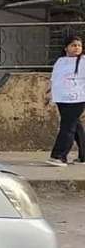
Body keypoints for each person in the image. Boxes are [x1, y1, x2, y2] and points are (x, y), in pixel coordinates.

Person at [47, 35, 85, 167]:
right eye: (73, 45)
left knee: (67, 126)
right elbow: (55, 79)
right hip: (62, 99)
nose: (77, 48)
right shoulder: (61, 61)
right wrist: (50, 93)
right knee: (76, 126)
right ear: (66, 48)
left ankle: (59, 155)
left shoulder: (84, 61)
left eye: (79, 45)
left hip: (77, 98)